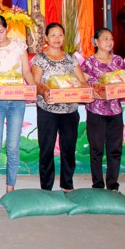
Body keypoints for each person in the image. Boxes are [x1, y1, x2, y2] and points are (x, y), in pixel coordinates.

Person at [0, 15, 35, 201]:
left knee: (13, 145)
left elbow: (26, 71)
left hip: (17, 101)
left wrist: (33, 88)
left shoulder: (19, 45)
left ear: (7, 28)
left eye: (1, 31)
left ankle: (11, 187)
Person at [31, 23, 90, 192]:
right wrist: (44, 91)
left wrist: (87, 91)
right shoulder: (40, 59)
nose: (57, 39)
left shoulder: (71, 58)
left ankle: (67, 184)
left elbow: (82, 81)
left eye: (60, 35)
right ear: (46, 38)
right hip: (47, 110)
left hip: (70, 111)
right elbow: (36, 83)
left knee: (68, 149)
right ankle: (46, 187)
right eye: (53, 35)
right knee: (46, 149)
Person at [80, 28, 125, 191]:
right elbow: (83, 84)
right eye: (105, 38)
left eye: (111, 38)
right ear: (96, 42)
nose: (109, 42)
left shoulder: (118, 61)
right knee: (96, 149)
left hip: (115, 111)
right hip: (96, 111)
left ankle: (112, 183)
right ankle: (98, 184)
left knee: (115, 149)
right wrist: (92, 92)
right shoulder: (89, 62)